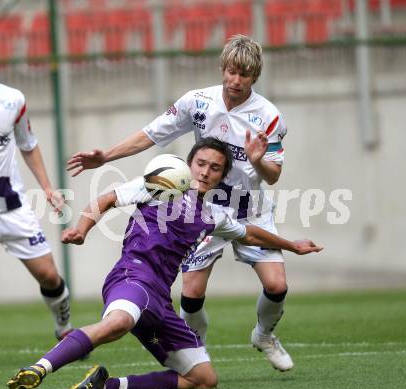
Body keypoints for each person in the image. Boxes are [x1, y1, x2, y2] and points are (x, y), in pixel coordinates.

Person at [7, 138, 321, 389]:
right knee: (117, 323)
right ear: (189, 163)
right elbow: (105, 199)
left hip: (159, 299)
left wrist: (292, 245)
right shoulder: (160, 183)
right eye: (201, 163)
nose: (205, 171)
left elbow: (249, 232)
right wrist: (82, 229)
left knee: (203, 378)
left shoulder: (213, 215)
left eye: (215, 168)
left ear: (222, 177)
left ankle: (107, 386)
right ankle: (39, 369)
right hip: (133, 275)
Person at [66, 34, 295, 371]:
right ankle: (194, 349)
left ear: (255, 76)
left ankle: (263, 335)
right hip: (202, 207)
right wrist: (106, 156)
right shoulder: (197, 101)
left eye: (244, 75)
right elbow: (151, 133)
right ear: (223, 68)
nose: (236, 80)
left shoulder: (270, 117)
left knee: (277, 285)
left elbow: (273, 175)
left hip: (250, 208)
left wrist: (257, 159)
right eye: (231, 71)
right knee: (191, 291)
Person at [0, 34, 72, 339]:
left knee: (49, 275)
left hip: (13, 207)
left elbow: (29, 145)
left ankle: (64, 328)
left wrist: (48, 188)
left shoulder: (13, 100)